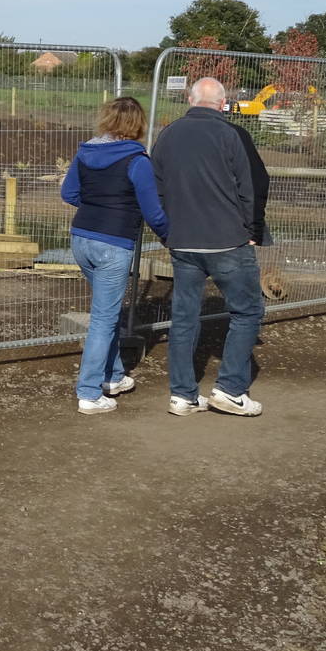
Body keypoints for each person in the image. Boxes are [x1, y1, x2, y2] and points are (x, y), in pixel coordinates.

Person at [150, 76, 270, 417]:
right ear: (222, 103)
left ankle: (182, 395)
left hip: (183, 242)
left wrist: (165, 231)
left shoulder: (168, 135)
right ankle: (230, 389)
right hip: (227, 240)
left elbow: (156, 188)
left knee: (184, 317)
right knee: (246, 312)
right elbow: (247, 189)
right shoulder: (229, 134)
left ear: (190, 99)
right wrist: (251, 230)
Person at [60, 96, 169, 415]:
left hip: (81, 239)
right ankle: (89, 393)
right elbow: (153, 211)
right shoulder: (138, 161)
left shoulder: (85, 152)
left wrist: (97, 207)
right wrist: (169, 237)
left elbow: (69, 194)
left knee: (105, 311)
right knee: (104, 318)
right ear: (138, 125)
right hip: (113, 243)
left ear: (106, 119)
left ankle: (115, 375)